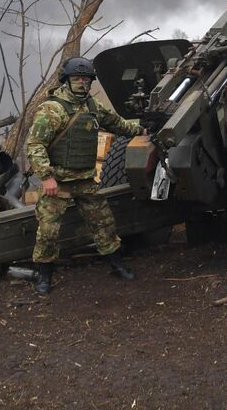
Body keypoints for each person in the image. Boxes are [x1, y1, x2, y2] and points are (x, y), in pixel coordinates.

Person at [28, 56, 143, 294]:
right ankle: (44, 275)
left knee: (104, 224)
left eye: (86, 79)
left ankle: (115, 264)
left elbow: (118, 124)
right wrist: (47, 177)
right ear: (66, 81)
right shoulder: (52, 109)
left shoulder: (92, 107)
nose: (82, 83)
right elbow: (35, 145)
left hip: (85, 180)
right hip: (58, 182)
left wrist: (143, 129)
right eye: (76, 78)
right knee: (48, 232)